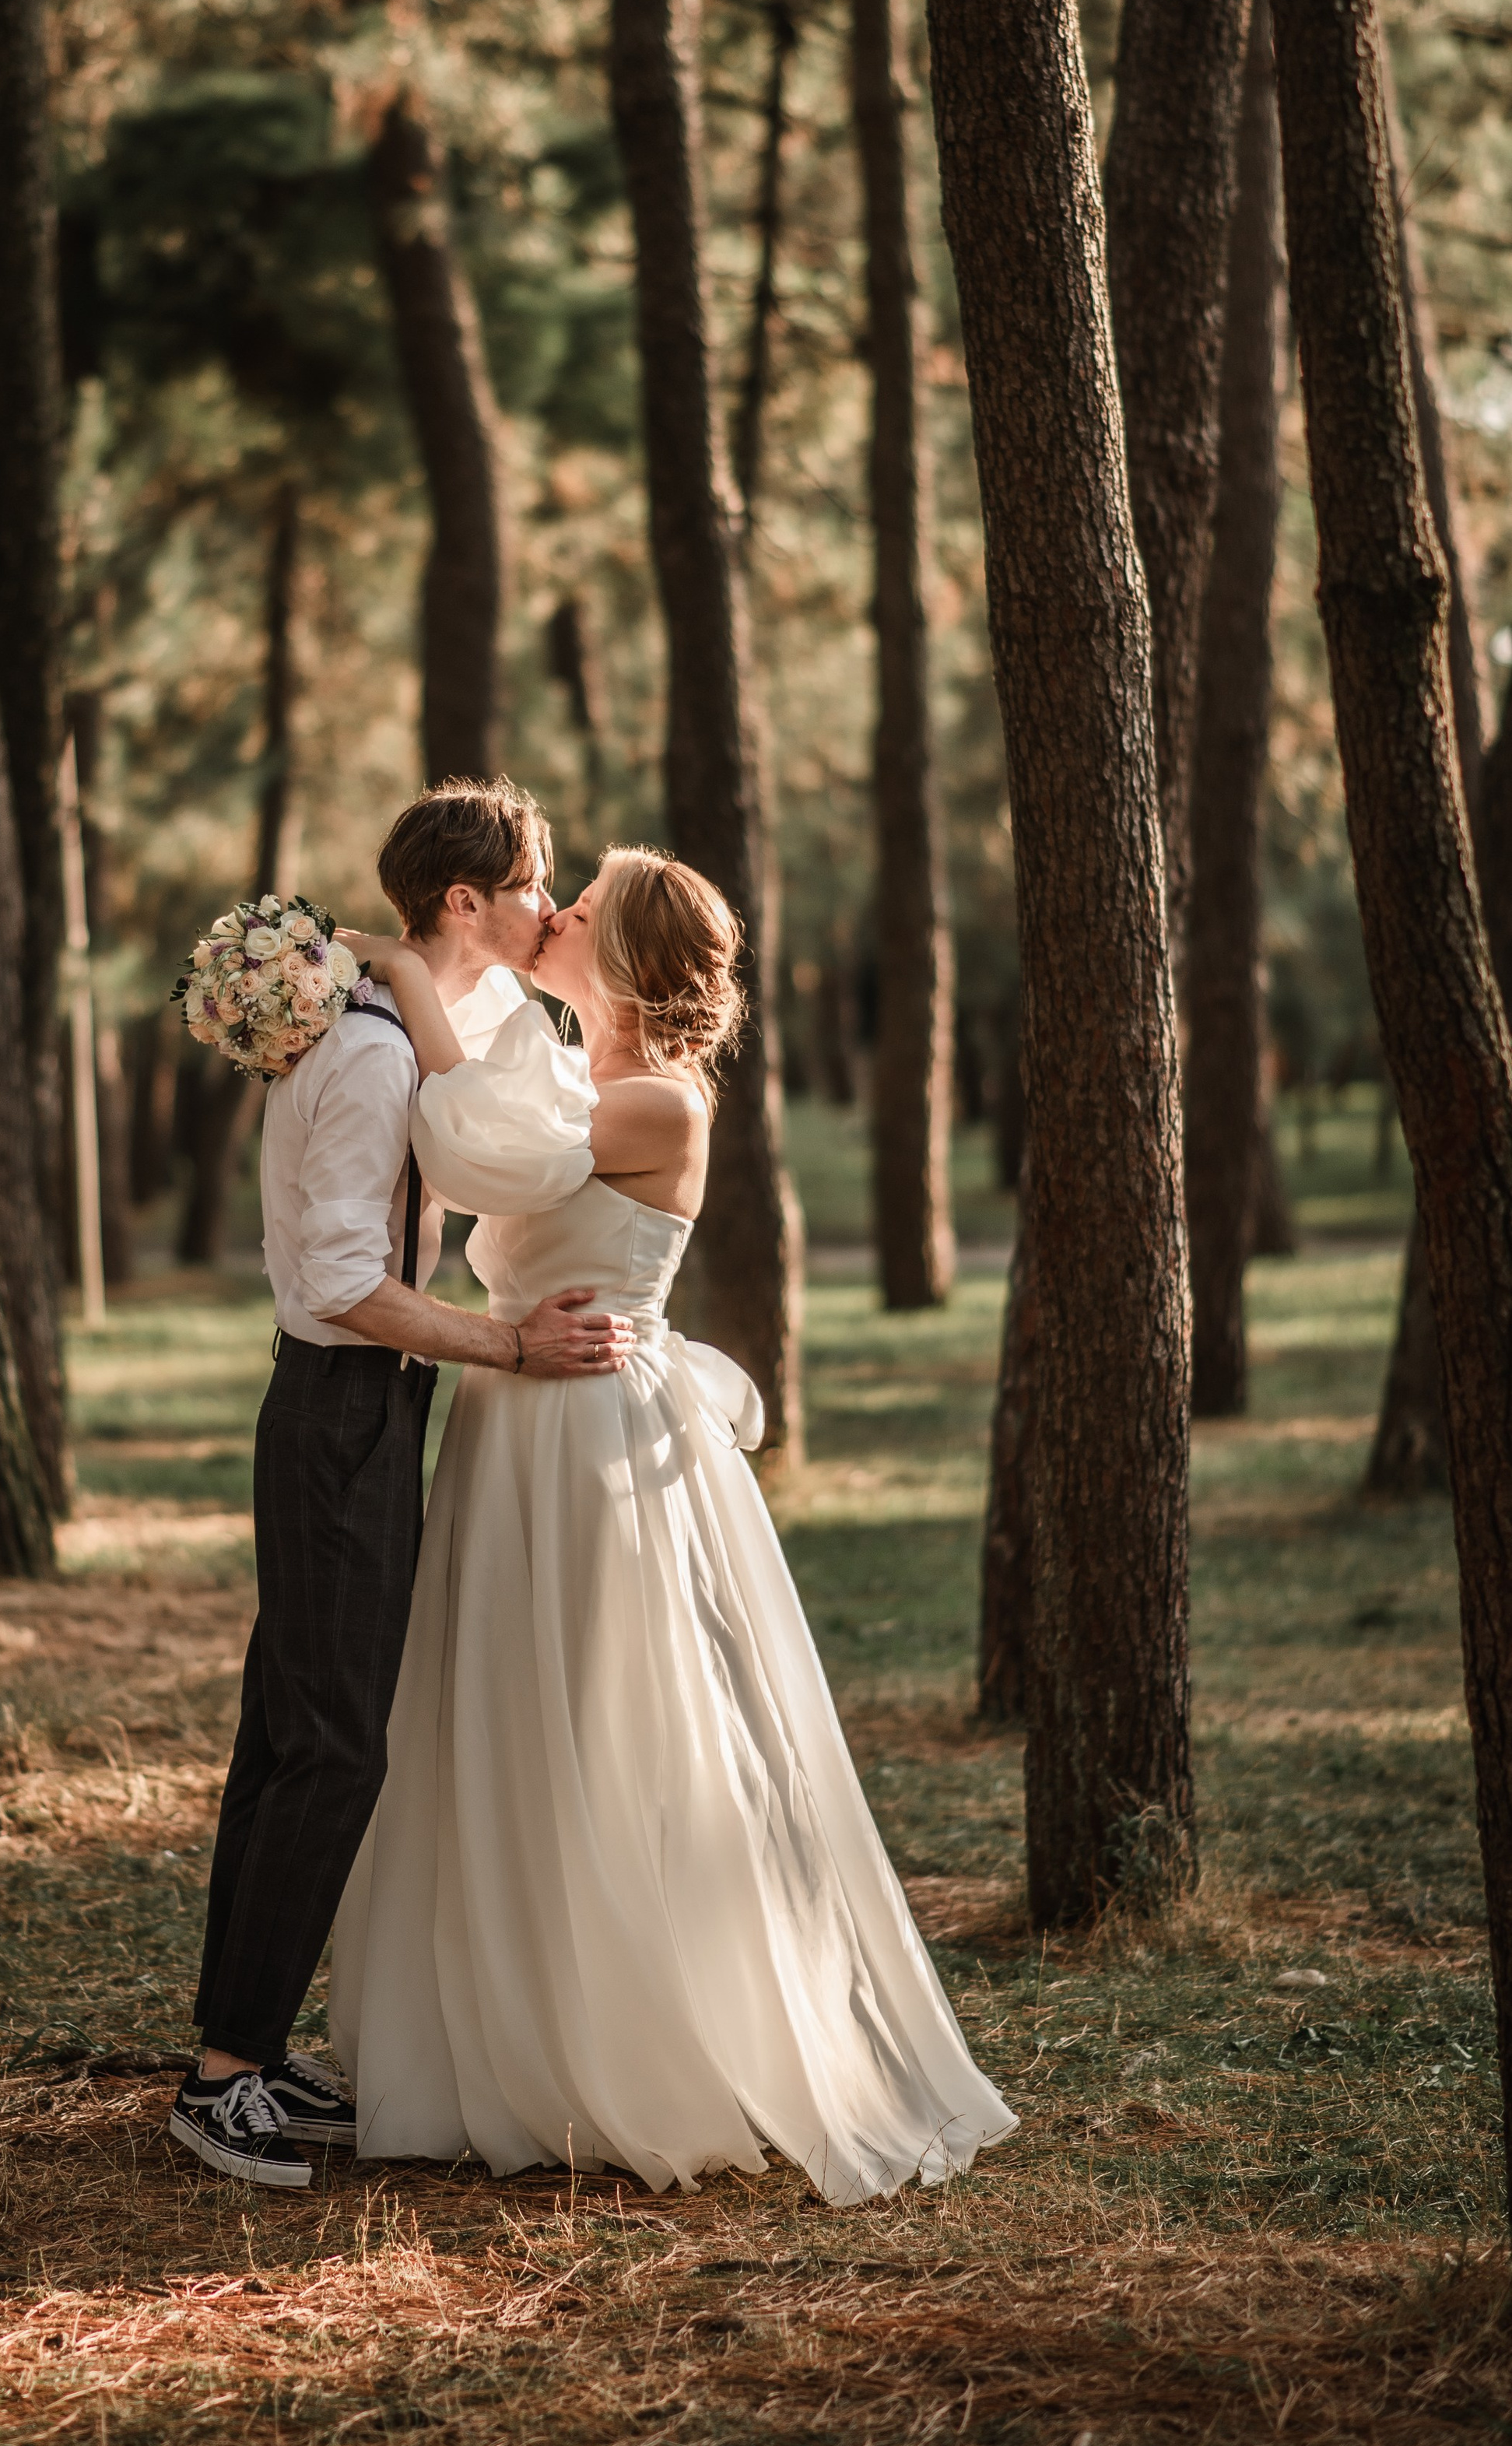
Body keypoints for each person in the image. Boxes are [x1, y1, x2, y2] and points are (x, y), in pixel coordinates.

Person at [331, 846, 1016, 2202]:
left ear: (632, 959)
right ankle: (506, 2038)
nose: (556, 914)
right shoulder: (574, 1072)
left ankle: (628, 2054)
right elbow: (476, 1142)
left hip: (592, 1438)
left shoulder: (655, 1104)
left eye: (579, 908)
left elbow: (465, 1149)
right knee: (506, 1721)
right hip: (515, 1419)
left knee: (604, 1726)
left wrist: (406, 970)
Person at [169, 780, 636, 2189]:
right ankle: (222, 2083)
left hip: (369, 1409)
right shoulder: (368, 1058)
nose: (546, 904)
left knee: (292, 1732)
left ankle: (236, 2047)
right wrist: (508, 1344)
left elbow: (494, 1077)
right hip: (339, 1409)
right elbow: (341, 1285)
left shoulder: (397, 1024)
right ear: (464, 902)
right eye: (531, 883)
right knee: (334, 1745)